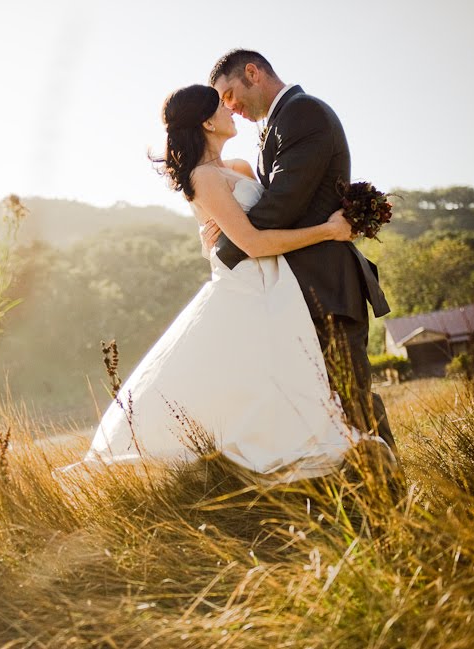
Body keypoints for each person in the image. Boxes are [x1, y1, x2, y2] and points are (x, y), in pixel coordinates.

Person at [80, 83, 388, 482]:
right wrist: (329, 232)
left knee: (291, 386)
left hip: (277, 286)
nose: (231, 110)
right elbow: (254, 243)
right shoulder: (202, 177)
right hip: (248, 289)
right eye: (222, 106)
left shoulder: (240, 167)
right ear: (207, 121)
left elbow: (263, 218)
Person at [206, 49, 394, 450]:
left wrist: (225, 245)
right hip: (298, 290)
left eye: (228, 95)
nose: (230, 107)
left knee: (353, 403)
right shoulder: (278, 123)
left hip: (326, 286)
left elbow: (284, 203)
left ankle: (393, 501)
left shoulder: (302, 114)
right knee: (323, 411)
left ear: (253, 73)